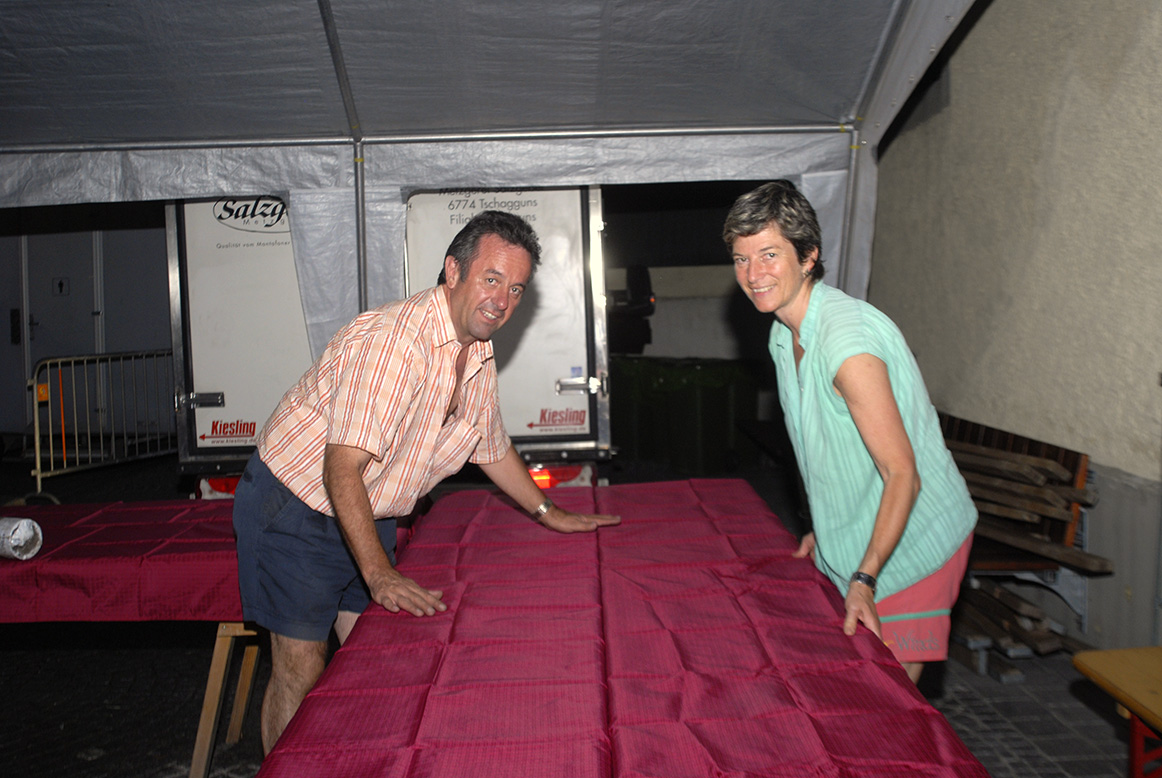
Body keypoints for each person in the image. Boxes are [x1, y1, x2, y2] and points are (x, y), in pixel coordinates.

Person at [233, 210, 621, 752]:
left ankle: (359, 761)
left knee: (378, 661)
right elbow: (340, 467)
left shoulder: (475, 349)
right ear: (453, 271)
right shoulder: (394, 341)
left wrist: (550, 513)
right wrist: (379, 574)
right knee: (301, 665)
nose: (502, 301)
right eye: (491, 279)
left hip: (367, 508)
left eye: (515, 289)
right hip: (296, 506)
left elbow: (490, 445)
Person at [723, 181, 976, 684]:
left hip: (914, 546)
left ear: (808, 256)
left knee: (884, 701)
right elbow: (819, 445)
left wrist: (864, 576)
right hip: (861, 539)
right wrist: (826, 524)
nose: (753, 274)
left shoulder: (848, 346)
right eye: (741, 259)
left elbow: (901, 473)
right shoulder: (783, 333)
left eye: (769, 254)